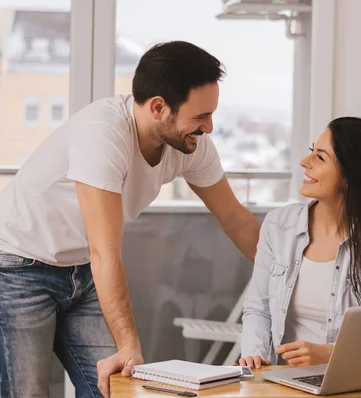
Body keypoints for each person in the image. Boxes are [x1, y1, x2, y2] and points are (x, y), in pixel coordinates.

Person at [0, 41, 260, 398]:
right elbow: (105, 251)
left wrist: (296, 284)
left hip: (83, 267)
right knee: (26, 392)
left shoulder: (190, 144)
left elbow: (237, 220)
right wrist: (129, 347)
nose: (210, 128)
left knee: (117, 390)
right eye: (200, 116)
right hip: (18, 265)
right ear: (158, 107)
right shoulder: (103, 134)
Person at [238, 117, 361, 369]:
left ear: (350, 176)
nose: (305, 162)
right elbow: (258, 309)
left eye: (320, 158)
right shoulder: (278, 226)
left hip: (351, 384)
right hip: (283, 383)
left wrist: (332, 354)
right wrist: (255, 356)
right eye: (312, 151)